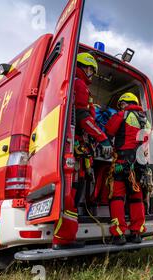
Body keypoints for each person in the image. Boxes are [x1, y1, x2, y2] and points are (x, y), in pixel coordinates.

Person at [52, 52, 113, 250]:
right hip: (77, 145)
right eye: (91, 70)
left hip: (80, 145)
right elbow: (83, 117)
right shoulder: (79, 84)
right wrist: (102, 138)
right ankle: (65, 237)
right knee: (74, 189)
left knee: (77, 189)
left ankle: (67, 233)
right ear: (84, 67)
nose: (92, 74)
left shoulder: (78, 84)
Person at [105, 92, 150, 245]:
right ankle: (136, 233)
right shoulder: (146, 120)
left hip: (122, 163)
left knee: (117, 196)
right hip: (139, 165)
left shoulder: (122, 115)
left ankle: (119, 234)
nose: (121, 107)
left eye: (121, 104)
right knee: (136, 198)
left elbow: (109, 130)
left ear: (125, 103)